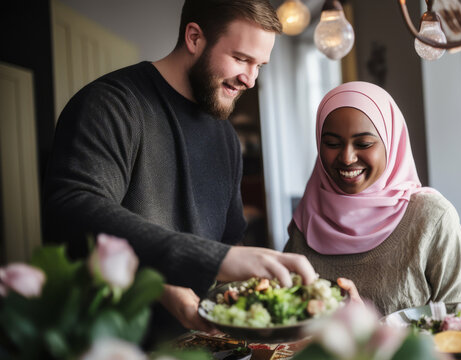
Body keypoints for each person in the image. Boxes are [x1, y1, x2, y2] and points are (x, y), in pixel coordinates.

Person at [43, 0, 316, 342]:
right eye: (241, 59)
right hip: (107, 343)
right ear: (194, 37)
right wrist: (195, 268)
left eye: (259, 65)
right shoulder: (111, 104)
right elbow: (74, 209)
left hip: (195, 344)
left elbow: (229, 238)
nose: (250, 79)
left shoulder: (226, 137)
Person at [284, 81, 461, 315]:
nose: (347, 157)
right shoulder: (307, 219)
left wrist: (370, 330)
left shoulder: (432, 218)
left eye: (364, 144)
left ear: (391, 142)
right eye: (332, 144)